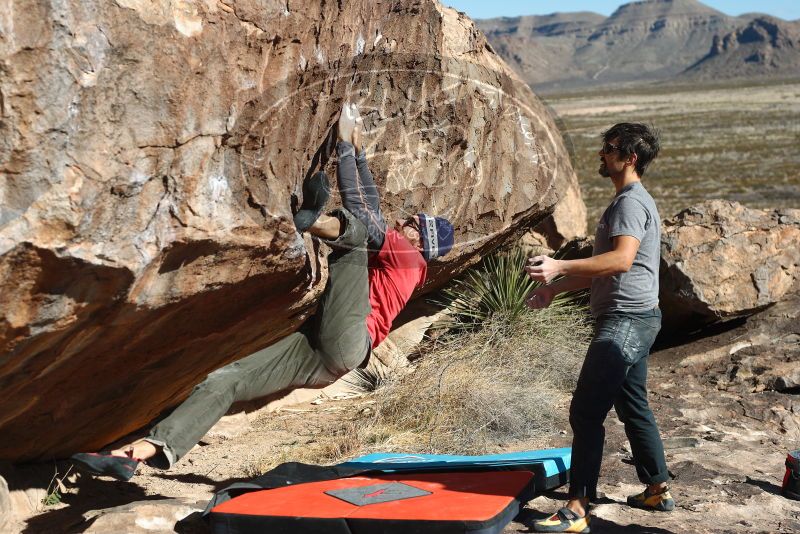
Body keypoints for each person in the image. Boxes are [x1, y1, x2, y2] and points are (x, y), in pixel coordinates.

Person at [71, 104, 455, 481]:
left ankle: (311, 221)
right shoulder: (405, 258)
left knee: (354, 235)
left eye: (414, 224)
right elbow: (373, 208)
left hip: (350, 340)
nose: (404, 221)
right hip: (326, 355)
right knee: (226, 380)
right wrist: (357, 150)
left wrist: (343, 148)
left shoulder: (408, 257)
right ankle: (136, 455)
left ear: (421, 240)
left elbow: (364, 214)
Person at [526, 123, 672, 533]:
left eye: (610, 149)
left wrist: (558, 265)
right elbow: (602, 270)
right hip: (636, 317)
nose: (602, 155)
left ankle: (576, 509)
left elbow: (621, 261)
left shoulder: (629, 203)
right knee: (633, 405)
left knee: (587, 411)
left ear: (631, 158)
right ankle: (657, 487)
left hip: (626, 320)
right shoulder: (628, 201)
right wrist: (555, 289)